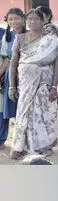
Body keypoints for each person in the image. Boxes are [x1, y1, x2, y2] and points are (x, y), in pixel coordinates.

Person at [8, 9, 58, 160]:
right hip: (25, 83)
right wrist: (12, 86)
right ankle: (20, 146)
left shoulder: (50, 40)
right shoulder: (20, 38)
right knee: (24, 111)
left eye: (36, 19)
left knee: (43, 112)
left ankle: (43, 145)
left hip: (45, 82)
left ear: (42, 21)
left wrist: (54, 86)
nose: (32, 22)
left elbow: (57, 62)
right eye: (29, 19)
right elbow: (13, 63)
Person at [0, 8, 25, 149]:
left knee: (25, 107)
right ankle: (16, 140)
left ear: (23, 19)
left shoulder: (29, 34)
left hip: (26, 75)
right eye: (10, 19)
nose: (13, 21)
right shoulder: (7, 36)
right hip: (11, 76)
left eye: (16, 18)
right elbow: (6, 58)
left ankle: (26, 140)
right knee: (13, 107)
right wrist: (1, 74)